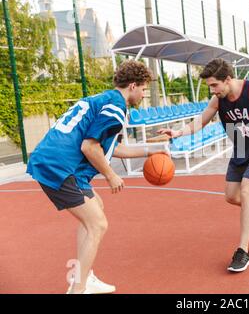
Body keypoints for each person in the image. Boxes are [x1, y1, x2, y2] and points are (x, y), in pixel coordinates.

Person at [27, 60, 163, 293]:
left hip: (58, 161)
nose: (143, 94)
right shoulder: (116, 107)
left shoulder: (104, 99)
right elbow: (90, 148)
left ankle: (84, 276)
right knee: (97, 224)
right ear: (132, 85)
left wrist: (154, 150)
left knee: (96, 208)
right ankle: (78, 289)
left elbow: (111, 149)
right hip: (59, 165)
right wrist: (111, 176)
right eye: (143, 89)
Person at [158, 58, 249, 272]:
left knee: (246, 191)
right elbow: (201, 121)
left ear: (228, 79)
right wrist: (179, 132)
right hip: (241, 150)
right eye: (209, 86)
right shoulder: (218, 100)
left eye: (214, 85)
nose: (212, 91)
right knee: (231, 196)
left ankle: (243, 251)